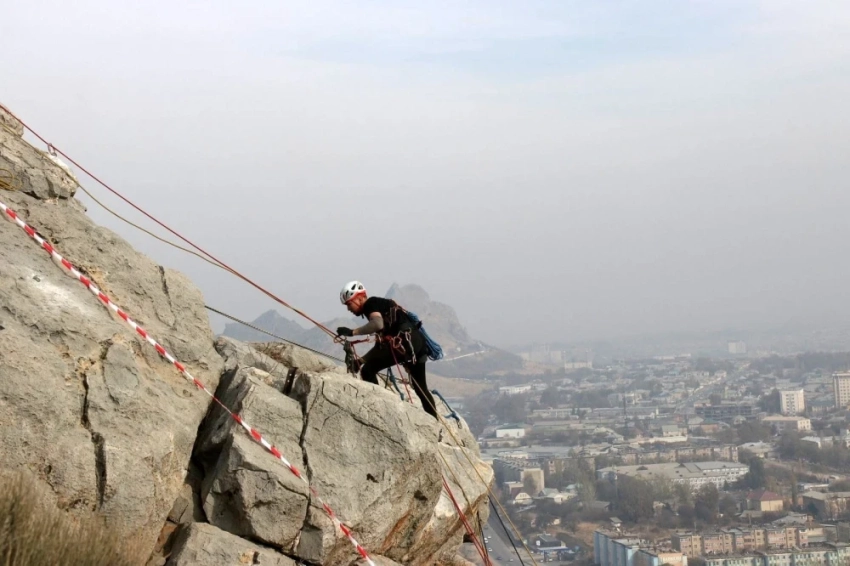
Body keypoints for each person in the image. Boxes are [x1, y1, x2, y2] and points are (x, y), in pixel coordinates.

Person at [336, 281, 438, 419]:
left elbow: (377, 324)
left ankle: (378, 413)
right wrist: (361, 360)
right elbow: (380, 347)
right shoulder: (382, 306)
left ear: (359, 298)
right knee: (421, 388)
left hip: (405, 342)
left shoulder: (370, 304)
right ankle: (435, 422)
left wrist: (352, 332)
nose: (349, 309)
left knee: (368, 371)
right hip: (417, 343)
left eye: (349, 304)